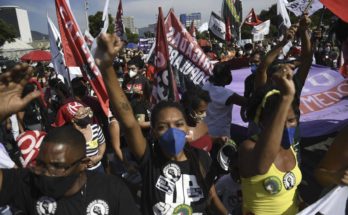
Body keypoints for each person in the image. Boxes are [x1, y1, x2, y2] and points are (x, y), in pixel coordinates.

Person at [95, 33, 228, 215]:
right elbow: (129, 121)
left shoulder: (201, 159)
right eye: (162, 126)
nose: (172, 131)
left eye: (179, 124)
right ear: (154, 133)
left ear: (187, 127)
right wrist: (107, 67)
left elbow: (212, 197)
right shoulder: (149, 160)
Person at [0, 63, 139, 214]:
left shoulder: (112, 190)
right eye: (40, 164)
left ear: (83, 164)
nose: (45, 173)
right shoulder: (29, 185)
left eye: (57, 166)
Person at [239, 64, 302, 215]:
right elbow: (262, 167)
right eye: (279, 122)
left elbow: (291, 188)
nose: (286, 127)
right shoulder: (248, 148)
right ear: (261, 123)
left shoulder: (292, 148)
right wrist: (286, 97)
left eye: (291, 120)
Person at [203, 62, 247, 138]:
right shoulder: (227, 94)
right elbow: (248, 102)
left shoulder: (205, 86)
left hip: (205, 130)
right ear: (225, 77)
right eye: (229, 73)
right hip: (220, 134)